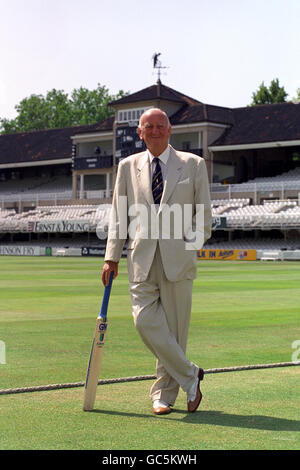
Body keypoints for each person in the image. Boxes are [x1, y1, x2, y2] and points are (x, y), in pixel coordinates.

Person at [102, 108, 212, 415]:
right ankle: (191, 375)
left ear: (170, 129)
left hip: (179, 261)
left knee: (174, 333)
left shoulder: (194, 164)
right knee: (144, 321)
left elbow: (204, 216)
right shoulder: (127, 166)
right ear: (139, 132)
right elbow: (118, 215)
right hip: (141, 258)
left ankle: (164, 395)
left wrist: (190, 248)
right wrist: (111, 258)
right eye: (148, 126)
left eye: (160, 126)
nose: (154, 130)